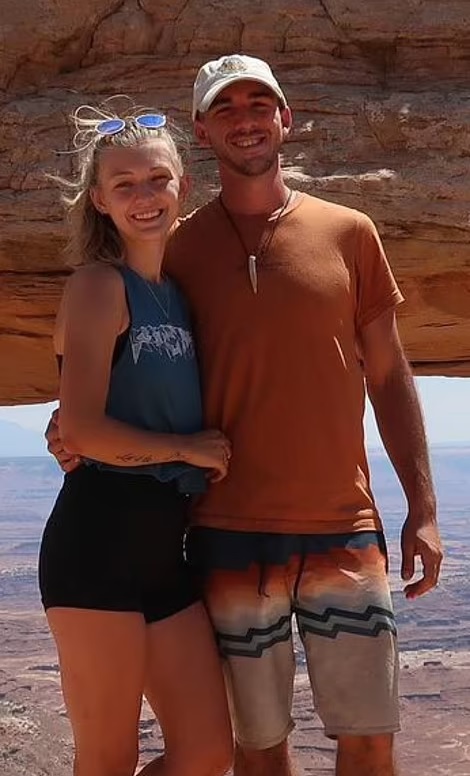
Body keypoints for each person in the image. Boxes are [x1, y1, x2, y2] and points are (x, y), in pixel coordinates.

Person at [47, 56, 443, 776]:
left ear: (286, 117)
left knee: (358, 742)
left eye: (261, 103)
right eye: (225, 108)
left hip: (339, 526)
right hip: (220, 535)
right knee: (255, 749)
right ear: (202, 132)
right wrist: (74, 427)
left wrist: (423, 506)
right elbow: (99, 373)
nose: (246, 119)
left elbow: (388, 372)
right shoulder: (176, 249)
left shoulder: (347, 233)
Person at [39, 102, 233, 776]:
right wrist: (186, 449)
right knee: (107, 759)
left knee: (207, 753)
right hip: (96, 546)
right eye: (124, 185)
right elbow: (82, 429)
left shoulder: (178, 294)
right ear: (99, 200)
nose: (143, 196)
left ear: (184, 185)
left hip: (164, 554)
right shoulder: (99, 286)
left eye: (157, 179)